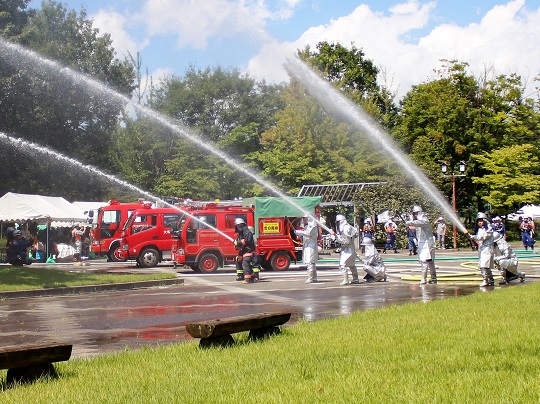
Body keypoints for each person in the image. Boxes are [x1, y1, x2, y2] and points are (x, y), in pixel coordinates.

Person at [406, 205, 437, 284]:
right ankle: (433, 278)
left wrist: (410, 222)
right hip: (422, 243)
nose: (415, 215)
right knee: (428, 261)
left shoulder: (424, 220)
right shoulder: (418, 222)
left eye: (416, 213)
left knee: (426, 261)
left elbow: (421, 222)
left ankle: (424, 278)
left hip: (427, 243)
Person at [465, 212, 495, 287]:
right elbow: (478, 238)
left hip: (487, 249)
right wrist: (470, 237)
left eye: (481, 221)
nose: (480, 223)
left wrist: (471, 236)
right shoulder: (480, 230)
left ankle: (485, 280)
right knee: (486, 265)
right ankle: (491, 280)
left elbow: (483, 237)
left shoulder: (489, 229)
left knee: (483, 265)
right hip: (482, 249)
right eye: (478, 221)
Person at [332, 214, 359, 285]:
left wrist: (335, 237)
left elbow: (345, 241)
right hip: (348, 248)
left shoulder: (346, 229)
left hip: (347, 248)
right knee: (351, 264)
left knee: (342, 264)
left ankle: (346, 279)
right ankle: (355, 278)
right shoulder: (349, 227)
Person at [295, 216, 319, 283]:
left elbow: (308, 233)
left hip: (311, 245)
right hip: (308, 244)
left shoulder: (313, 226)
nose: (304, 220)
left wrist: (299, 232)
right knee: (311, 262)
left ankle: (311, 277)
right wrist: (299, 234)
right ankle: (313, 277)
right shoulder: (308, 226)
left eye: (305, 218)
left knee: (310, 262)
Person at [233, 218, 257, 284]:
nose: (237, 227)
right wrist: (236, 244)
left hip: (249, 250)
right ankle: (241, 275)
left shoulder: (247, 232)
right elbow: (239, 243)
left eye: (238, 226)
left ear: (241, 225)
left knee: (245, 262)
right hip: (243, 250)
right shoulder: (240, 234)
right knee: (238, 259)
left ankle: (248, 278)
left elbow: (248, 240)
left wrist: (239, 242)